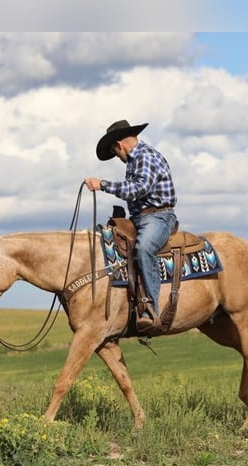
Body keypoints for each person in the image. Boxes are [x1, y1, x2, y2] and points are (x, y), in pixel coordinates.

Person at [85, 119, 178, 334]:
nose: (117, 156)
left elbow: (139, 189)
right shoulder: (134, 161)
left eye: (115, 152)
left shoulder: (145, 156)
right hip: (139, 218)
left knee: (144, 248)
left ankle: (151, 311)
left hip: (159, 217)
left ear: (119, 145)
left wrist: (103, 185)